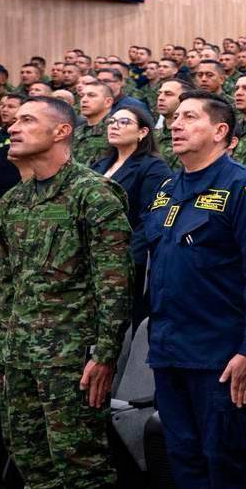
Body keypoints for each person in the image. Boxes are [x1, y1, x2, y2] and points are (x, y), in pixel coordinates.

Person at [0, 96, 132, 489]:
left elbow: (114, 284)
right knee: (33, 454)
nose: (13, 127)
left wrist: (105, 352)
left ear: (62, 131)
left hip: (71, 356)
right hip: (21, 353)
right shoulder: (13, 203)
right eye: (14, 120)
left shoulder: (94, 196)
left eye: (28, 120)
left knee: (79, 458)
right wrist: (2, 347)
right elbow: (1, 287)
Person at [142, 92, 246, 489]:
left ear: (221, 131)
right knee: (187, 460)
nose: (175, 124)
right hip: (170, 349)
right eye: (173, 118)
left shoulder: (245, 186)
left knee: (224, 461)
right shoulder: (170, 188)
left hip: (220, 355)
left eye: (190, 117)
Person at [93, 105, 172, 327]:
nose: (115, 126)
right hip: (92, 254)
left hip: (125, 259)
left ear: (143, 132)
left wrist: (126, 258)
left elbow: (149, 218)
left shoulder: (152, 167)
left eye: (124, 122)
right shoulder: (100, 165)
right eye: (111, 121)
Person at [73, 81, 114, 167]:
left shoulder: (114, 130)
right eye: (81, 96)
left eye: (91, 95)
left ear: (108, 102)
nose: (84, 100)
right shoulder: (77, 131)